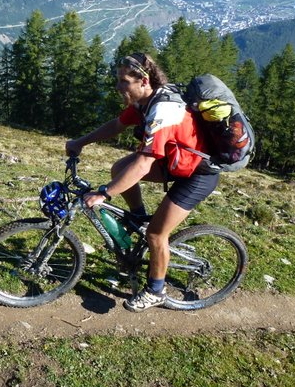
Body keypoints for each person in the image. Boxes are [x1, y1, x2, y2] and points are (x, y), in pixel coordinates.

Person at [65, 52, 219, 312]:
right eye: (118, 80)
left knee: (156, 234)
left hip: (197, 175)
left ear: (144, 81)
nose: (118, 87)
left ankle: (156, 290)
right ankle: (138, 217)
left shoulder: (163, 111)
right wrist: (80, 142)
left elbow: (144, 163)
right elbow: (115, 125)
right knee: (119, 167)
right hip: (174, 163)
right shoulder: (144, 102)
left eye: (124, 81)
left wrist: (105, 193)